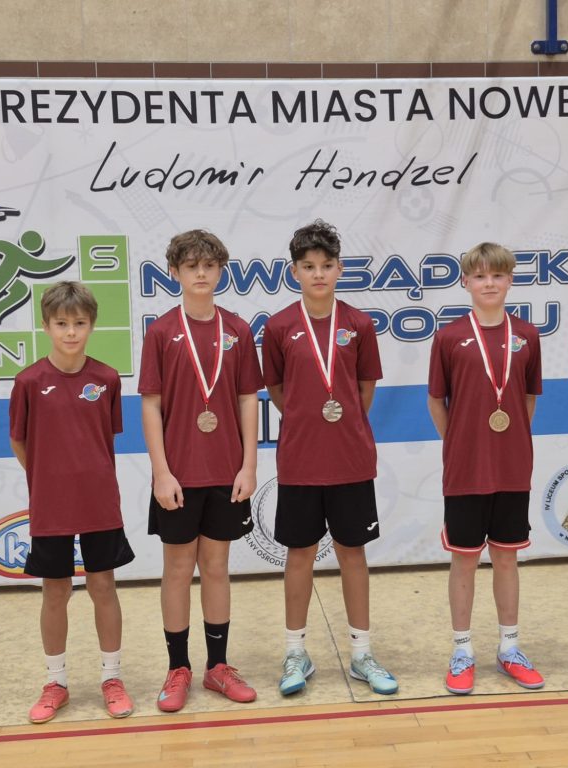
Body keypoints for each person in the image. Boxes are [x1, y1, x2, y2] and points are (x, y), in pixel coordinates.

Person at [262, 219, 398, 697]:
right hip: (300, 461)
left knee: (352, 553)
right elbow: (278, 389)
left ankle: (362, 653)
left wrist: (340, 422)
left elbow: (364, 390)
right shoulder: (279, 327)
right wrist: (308, 419)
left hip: (350, 461)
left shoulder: (359, 324)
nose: (318, 274)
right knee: (299, 554)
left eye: (326, 265)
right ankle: (295, 651)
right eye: (308, 266)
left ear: (340, 268)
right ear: (294, 272)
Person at [139, 230, 263, 710]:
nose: (201, 273)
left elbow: (248, 398)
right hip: (178, 474)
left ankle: (217, 666)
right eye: (191, 266)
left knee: (216, 567)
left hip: (226, 472)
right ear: (175, 272)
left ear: (221, 270)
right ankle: (178, 669)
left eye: (209, 265)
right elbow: (151, 405)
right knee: (176, 569)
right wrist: (161, 472)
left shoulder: (238, 330)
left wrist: (248, 464)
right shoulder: (161, 331)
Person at [9, 281, 135, 723]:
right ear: (46, 326)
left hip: (99, 502)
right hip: (52, 506)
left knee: (103, 586)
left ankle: (112, 678)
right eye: (61, 323)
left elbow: (105, 438)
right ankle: (56, 682)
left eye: (79, 323)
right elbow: (19, 441)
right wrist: (47, 479)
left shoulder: (107, 379)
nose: (70, 332)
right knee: (56, 590)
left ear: (91, 326)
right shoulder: (28, 382)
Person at [427, 242, 545, 695]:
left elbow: (528, 398)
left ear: (510, 279)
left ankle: (509, 647)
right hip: (465, 469)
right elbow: (436, 400)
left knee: (507, 557)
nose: (489, 283)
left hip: (512, 467)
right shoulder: (449, 337)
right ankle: (462, 650)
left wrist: (509, 440)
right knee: (464, 559)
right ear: (465, 282)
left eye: (497, 275)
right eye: (479, 276)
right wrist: (460, 442)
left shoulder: (527, 335)